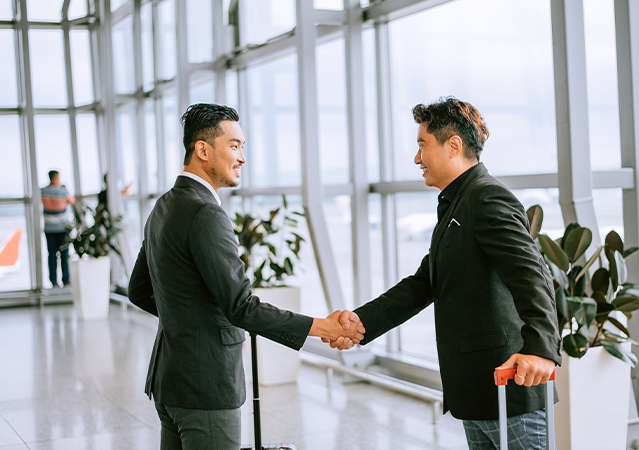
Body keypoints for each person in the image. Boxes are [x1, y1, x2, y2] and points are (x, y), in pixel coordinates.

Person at [128, 103, 363, 450]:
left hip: (170, 382)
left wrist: (187, 321)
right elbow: (241, 306)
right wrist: (322, 327)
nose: (242, 157)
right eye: (234, 145)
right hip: (205, 385)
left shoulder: (164, 205)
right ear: (203, 149)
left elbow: (138, 290)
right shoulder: (206, 213)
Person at [332, 97, 562, 450]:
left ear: (453, 145)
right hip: (477, 391)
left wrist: (542, 350)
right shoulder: (457, 203)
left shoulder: (486, 198)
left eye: (422, 144)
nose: (416, 157)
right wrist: (361, 322)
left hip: (510, 390)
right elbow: (424, 284)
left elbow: (532, 275)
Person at [41, 170, 75, 288]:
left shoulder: (43, 191)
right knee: (64, 254)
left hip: (49, 228)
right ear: (57, 178)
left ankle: (53, 281)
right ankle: (65, 279)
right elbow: (73, 201)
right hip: (62, 227)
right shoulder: (63, 191)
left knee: (51, 254)